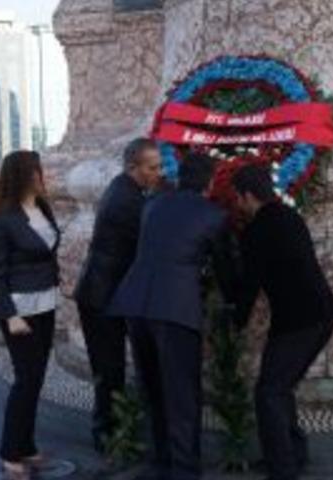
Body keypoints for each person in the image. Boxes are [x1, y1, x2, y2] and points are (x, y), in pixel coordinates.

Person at [108, 153, 235, 480]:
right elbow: (225, 268)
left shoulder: (154, 205)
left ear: (179, 176)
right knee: (181, 395)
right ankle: (184, 471)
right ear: (209, 181)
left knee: (152, 388)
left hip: (136, 303)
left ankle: (158, 462)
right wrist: (236, 302)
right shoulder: (213, 215)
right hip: (175, 309)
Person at [231, 164, 333, 480]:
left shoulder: (257, 230)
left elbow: (249, 287)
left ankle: (283, 468)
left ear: (248, 195)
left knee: (269, 392)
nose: (236, 205)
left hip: (299, 321)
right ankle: (292, 455)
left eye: (238, 198)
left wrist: (235, 323)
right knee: (279, 388)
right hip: (320, 315)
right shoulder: (290, 216)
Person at [72, 138, 162, 453]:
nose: (158, 173)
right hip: (100, 298)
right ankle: (106, 437)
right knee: (109, 371)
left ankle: (116, 430)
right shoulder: (128, 201)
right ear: (132, 167)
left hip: (107, 294)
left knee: (113, 370)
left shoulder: (127, 189)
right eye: (152, 168)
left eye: (159, 166)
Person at [0, 150, 61, 480]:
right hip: (19, 311)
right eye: (40, 171)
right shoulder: (3, 219)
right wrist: (9, 314)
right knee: (26, 380)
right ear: (27, 175)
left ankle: (26, 445)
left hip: (45, 304)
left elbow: (46, 253)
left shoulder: (41, 209)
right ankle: (9, 452)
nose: (45, 176)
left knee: (36, 379)